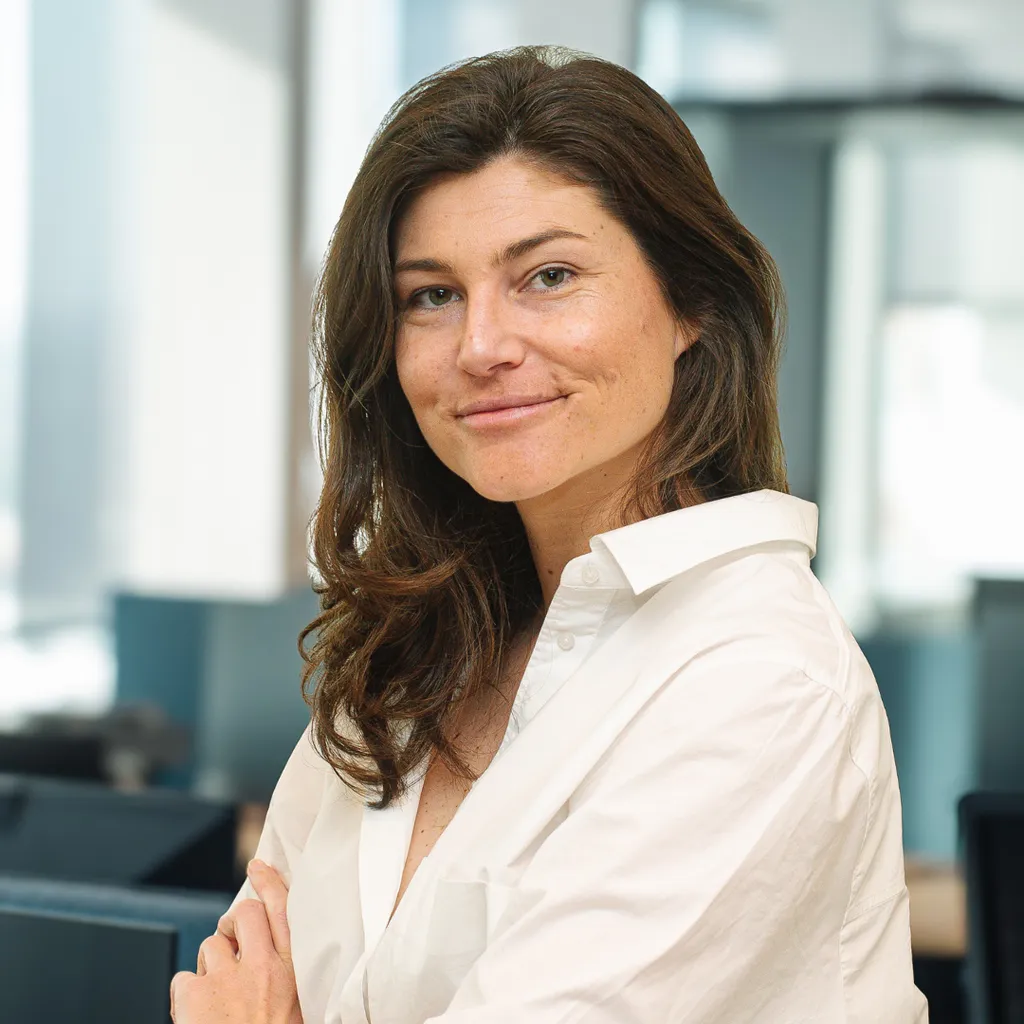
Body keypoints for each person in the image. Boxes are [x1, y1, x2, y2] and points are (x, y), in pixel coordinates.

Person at [170, 46, 928, 1024]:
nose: (481, 345)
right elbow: (235, 978)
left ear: (690, 301)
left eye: (549, 275)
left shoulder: (756, 681)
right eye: (430, 294)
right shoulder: (404, 667)